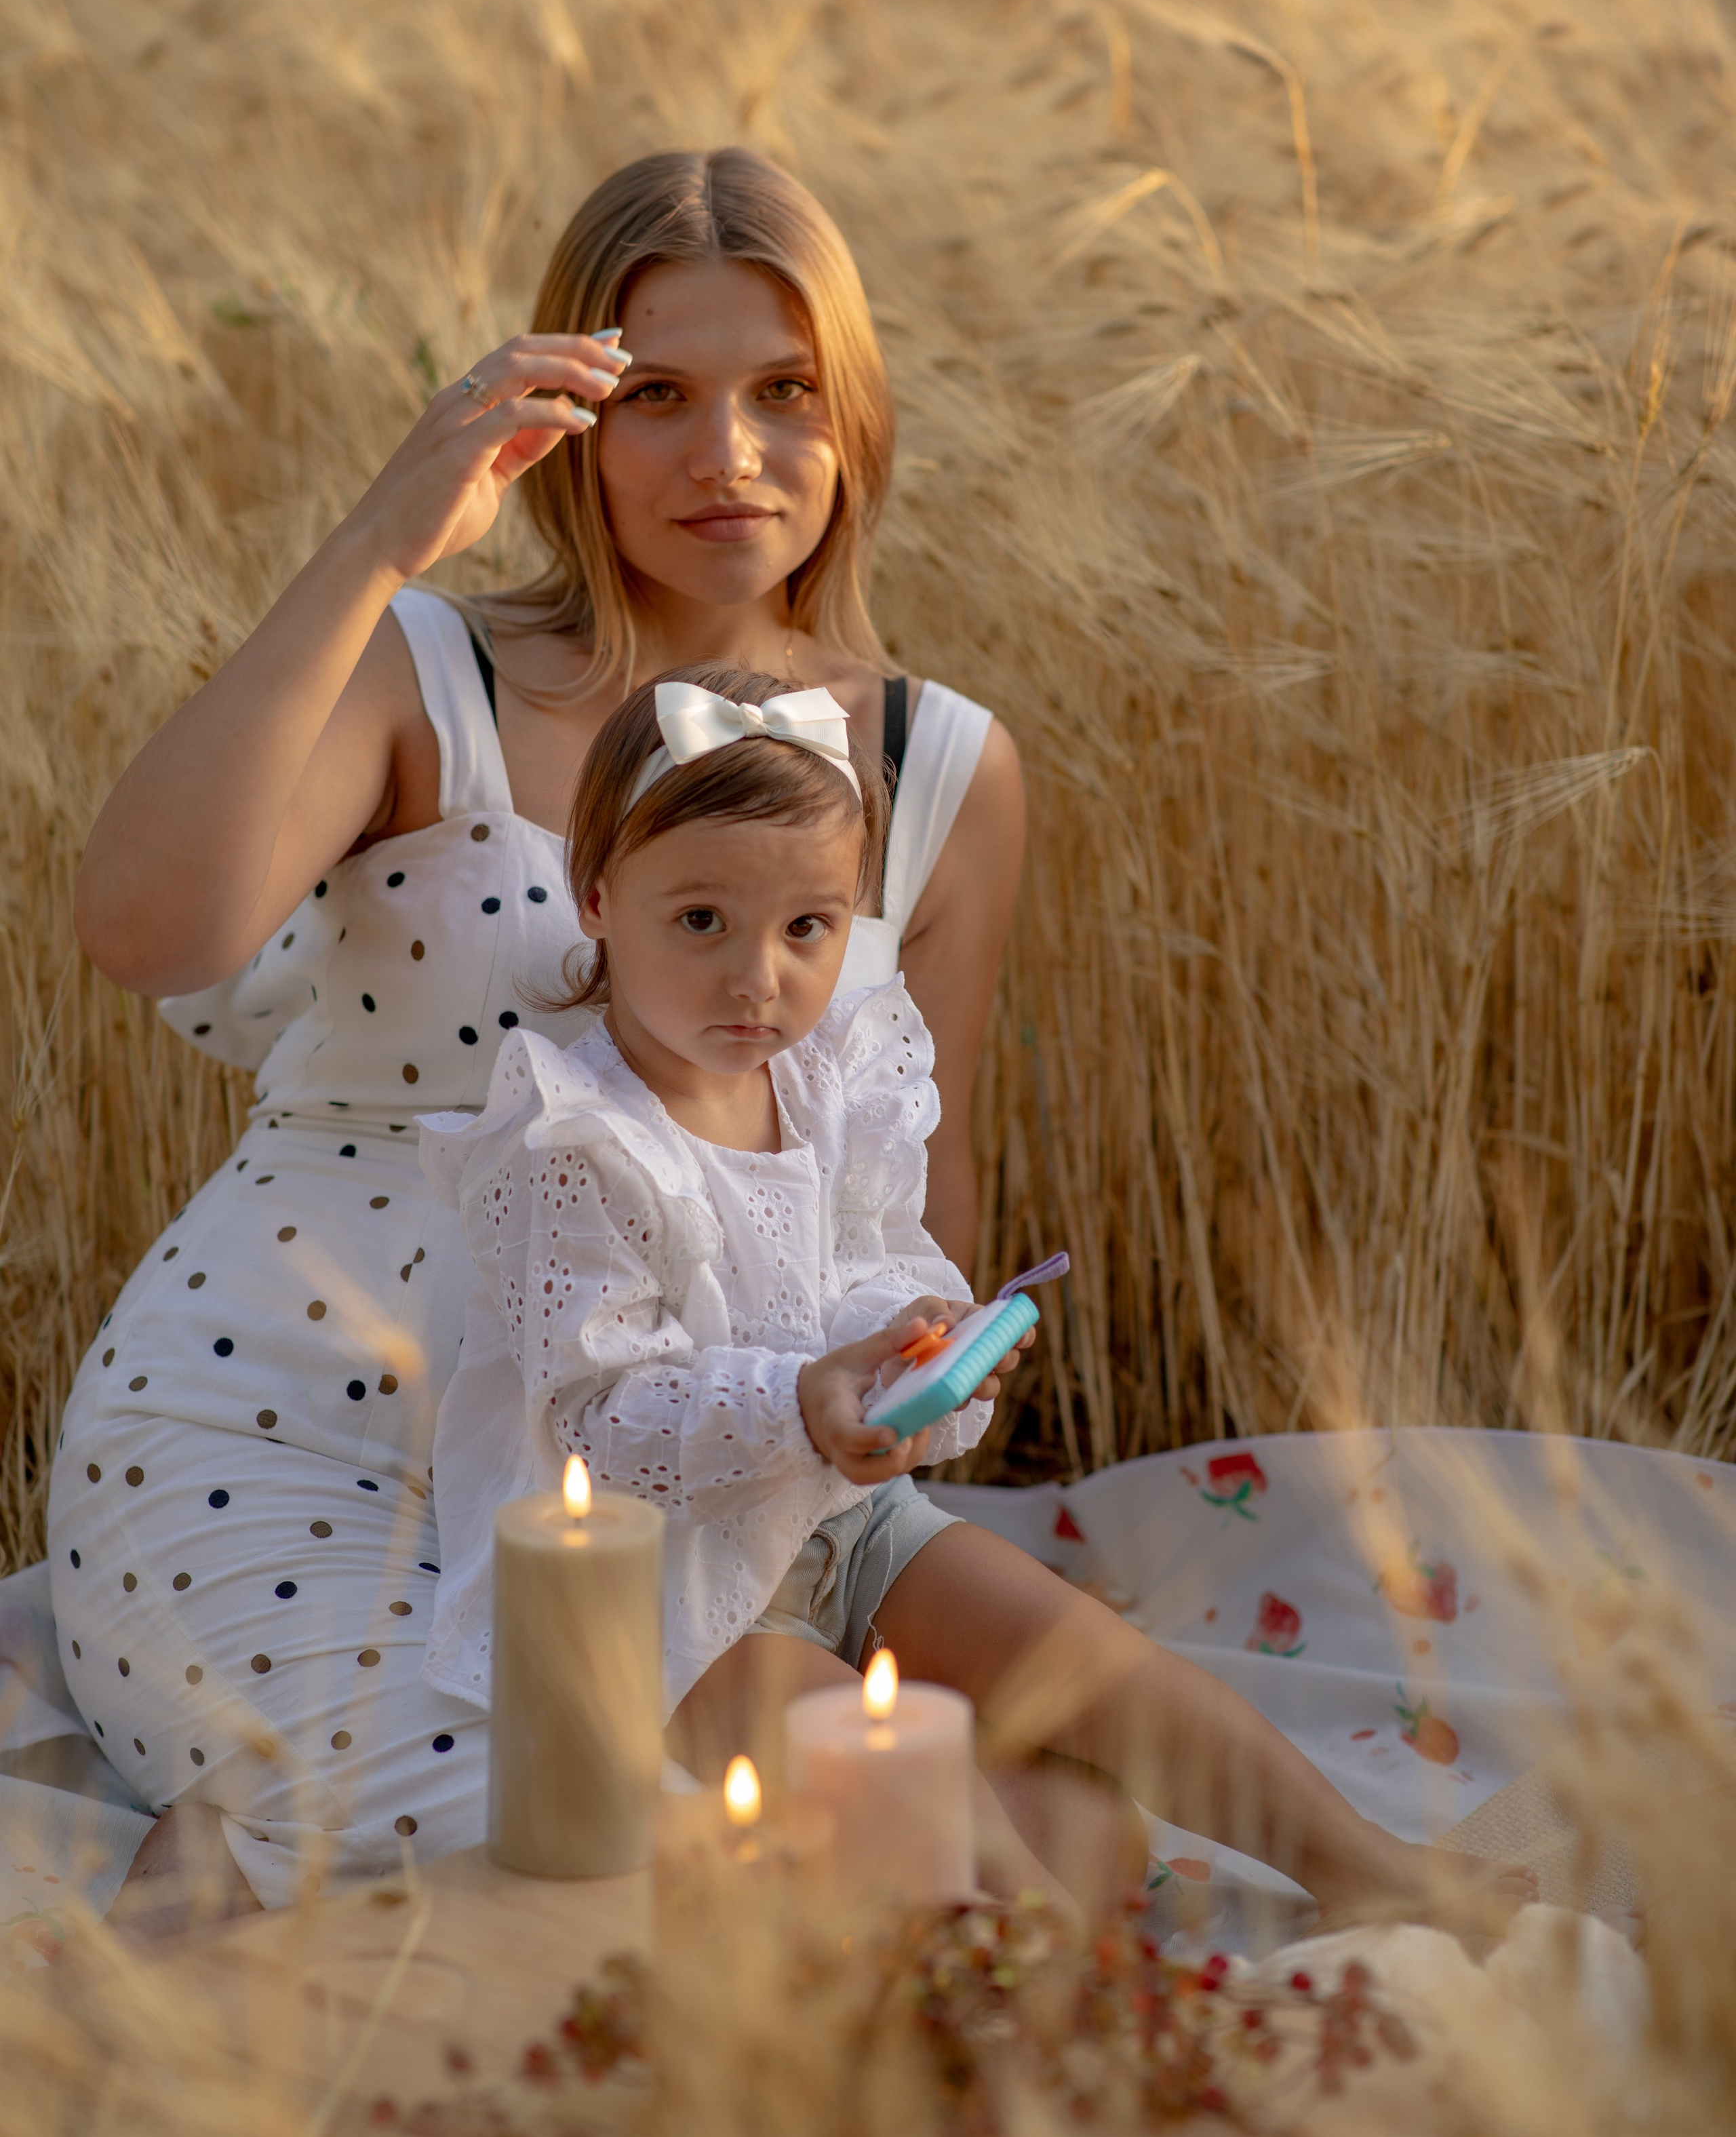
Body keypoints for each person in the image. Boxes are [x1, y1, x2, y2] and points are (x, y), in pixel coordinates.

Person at [47, 149, 1023, 1917]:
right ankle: (231, 1875)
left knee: (914, 1876)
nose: (727, 454)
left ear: (856, 415)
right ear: (567, 417)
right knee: (594, 1885)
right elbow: (142, 930)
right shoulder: (430, 670)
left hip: (670, 1484)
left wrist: (885, 1415)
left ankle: (246, 1887)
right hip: (278, 1444)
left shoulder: (935, 763)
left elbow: (907, 1208)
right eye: (658, 396)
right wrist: (380, 541)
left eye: (785, 391)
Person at [424, 667, 1509, 1927]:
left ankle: (1362, 1863)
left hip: (841, 1513)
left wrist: (917, 1351)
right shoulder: (572, 1141)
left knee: (1095, 1665)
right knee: (931, 1810)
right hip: (665, 1592)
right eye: (703, 921)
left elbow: (881, 1257)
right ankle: (1065, 1988)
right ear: (600, 897)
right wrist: (803, 1401)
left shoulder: (828, 1080)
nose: (759, 979)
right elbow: (601, 1415)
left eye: (807, 928)